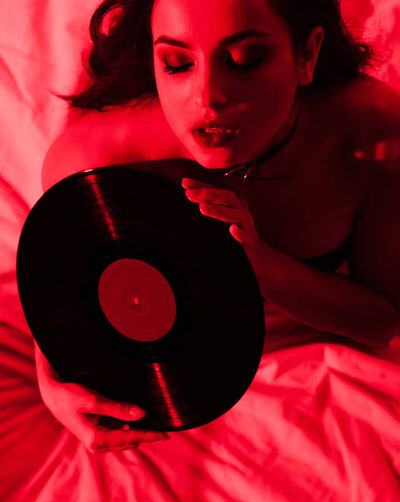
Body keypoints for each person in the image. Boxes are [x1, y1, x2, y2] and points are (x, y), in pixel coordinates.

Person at [35, 0, 400, 454]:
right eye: (177, 64)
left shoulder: (373, 131)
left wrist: (265, 268)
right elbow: (58, 297)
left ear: (306, 55)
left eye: (245, 60)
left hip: (310, 412)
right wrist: (50, 382)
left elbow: (383, 320)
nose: (207, 96)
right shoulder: (92, 163)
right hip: (170, 416)